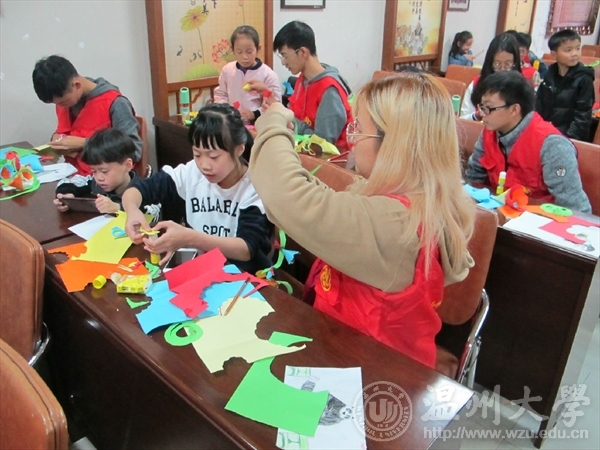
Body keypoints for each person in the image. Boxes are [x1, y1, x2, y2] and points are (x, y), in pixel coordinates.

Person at [248, 72, 476, 368]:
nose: (352, 139)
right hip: (348, 350)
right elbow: (319, 204)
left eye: (359, 128)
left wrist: (274, 124)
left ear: (394, 144)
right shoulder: (414, 205)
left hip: (373, 374)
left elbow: (286, 196)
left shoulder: (397, 224)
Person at [123, 103, 273, 275]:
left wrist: (189, 238)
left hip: (243, 277)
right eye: (197, 154)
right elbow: (140, 189)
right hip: (201, 270)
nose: (204, 165)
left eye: (213, 156)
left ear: (239, 149)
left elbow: (246, 249)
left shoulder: (254, 186)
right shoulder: (191, 173)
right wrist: (132, 210)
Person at [466, 71, 591, 213]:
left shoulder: (552, 145)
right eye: (481, 107)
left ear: (514, 110)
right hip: (498, 213)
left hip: (538, 219)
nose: (481, 113)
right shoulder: (490, 132)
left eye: (488, 108)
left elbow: (576, 208)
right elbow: (474, 178)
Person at [32, 55, 142, 176]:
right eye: (57, 104)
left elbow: (134, 151)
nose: (61, 106)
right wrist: (57, 139)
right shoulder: (66, 102)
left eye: (63, 102)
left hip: (103, 180)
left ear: (77, 85)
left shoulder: (116, 103)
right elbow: (70, 129)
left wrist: (85, 144)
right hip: (72, 175)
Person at [273, 20, 352, 149]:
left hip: (326, 158)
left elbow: (321, 144)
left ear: (303, 52)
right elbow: (294, 114)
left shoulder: (329, 90)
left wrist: (290, 122)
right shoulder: (303, 79)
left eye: (285, 56)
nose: (283, 63)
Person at [54, 129, 159, 216]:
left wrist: (118, 207)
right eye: (94, 171)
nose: (99, 177)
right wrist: (66, 195)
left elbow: (152, 214)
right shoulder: (96, 183)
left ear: (127, 165)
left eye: (104, 171)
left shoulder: (144, 189)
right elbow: (67, 182)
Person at [214, 25, 282, 124]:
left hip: (259, 125)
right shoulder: (227, 70)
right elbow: (220, 94)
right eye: (239, 52)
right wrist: (228, 111)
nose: (244, 57)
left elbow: (276, 104)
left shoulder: (268, 74)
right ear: (233, 50)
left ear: (258, 49)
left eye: (249, 52)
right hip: (232, 123)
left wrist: (255, 113)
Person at [536, 29, 595, 142]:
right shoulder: (549, 75)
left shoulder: (584, 79)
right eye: (568, 50)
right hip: (547, 133)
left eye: (577, 48)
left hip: (569, 138)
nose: (574, 53)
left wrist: (567, 139)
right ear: (554, 54)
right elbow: (538, 107)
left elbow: (583, 117)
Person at [460, 32, 522, 121]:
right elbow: (463, 121)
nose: (502, 69)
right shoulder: (476, 85)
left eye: (508, 64)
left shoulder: (521, 88)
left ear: (515, 63)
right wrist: (477, 116)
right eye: (497, 64)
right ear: (490, 62)